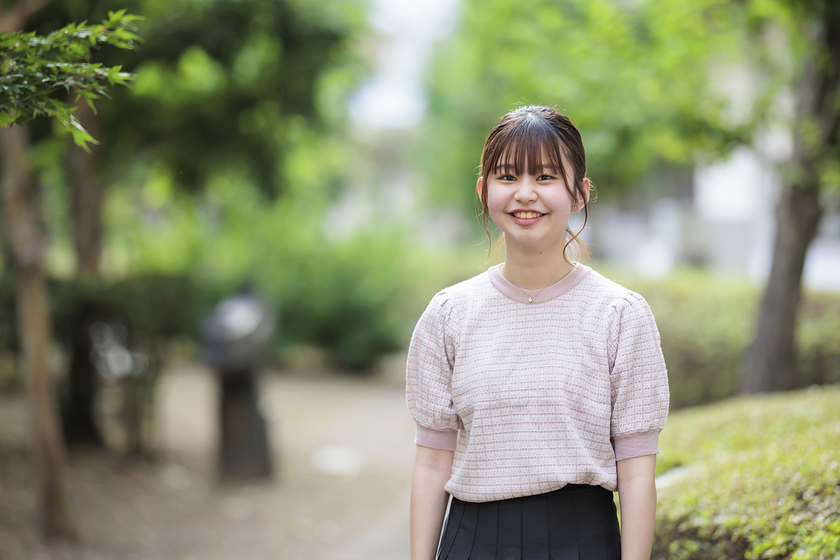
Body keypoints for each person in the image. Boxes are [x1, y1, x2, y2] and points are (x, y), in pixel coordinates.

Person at [406, 105, 670, 560]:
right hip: (472, 543)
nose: (525, 194)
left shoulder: (621, 315)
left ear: (581, 193)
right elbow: (431, 464)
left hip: (583, 543)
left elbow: (636, 473)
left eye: (545, 177)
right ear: (484, 190)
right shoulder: (449, 313)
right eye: (507, 177)